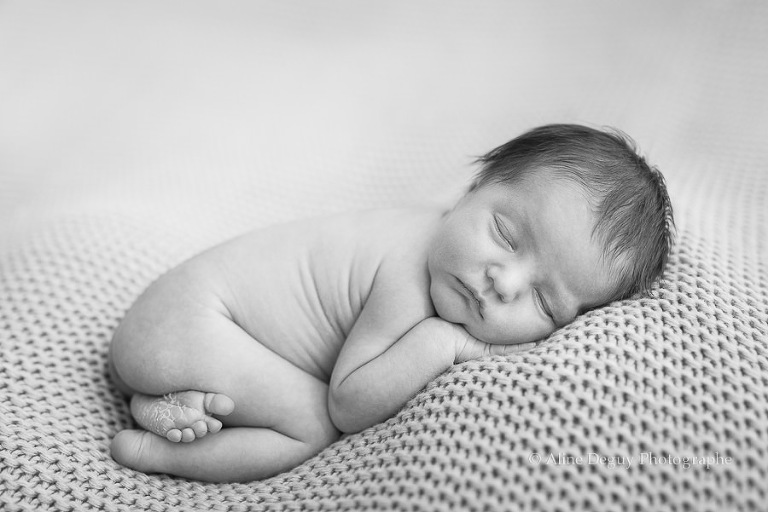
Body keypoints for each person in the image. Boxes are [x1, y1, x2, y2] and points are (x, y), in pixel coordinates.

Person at [108, 124, 674, 482]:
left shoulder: (443, 241)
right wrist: (443, 342)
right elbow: (349, 404)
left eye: (545, 302)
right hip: (189, 324)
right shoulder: (406, 273)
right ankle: (153, 452)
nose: (505, 282)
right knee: (310, 424)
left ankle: (161, 402)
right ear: (469, 193)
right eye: (505, 235)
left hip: (181, 330)